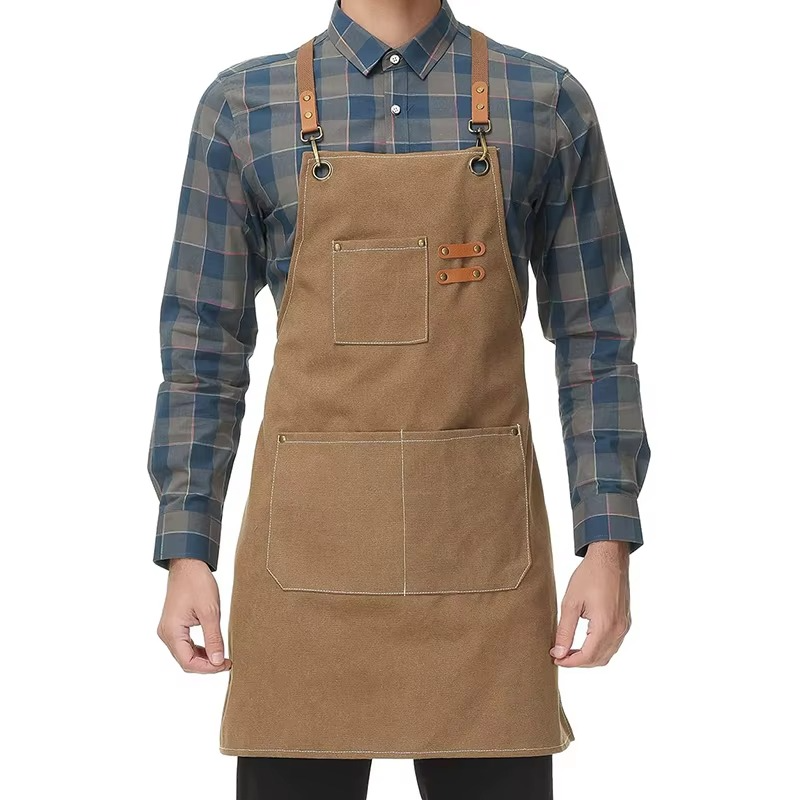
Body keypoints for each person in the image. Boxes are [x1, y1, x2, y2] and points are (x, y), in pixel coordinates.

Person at [147, 1, 651, 797]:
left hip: (483, 570)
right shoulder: (243, 107)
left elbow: (597, 343)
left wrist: (608, 541)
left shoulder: (544, 101)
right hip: (303, 571)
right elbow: (202, 353)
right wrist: (186, 549)